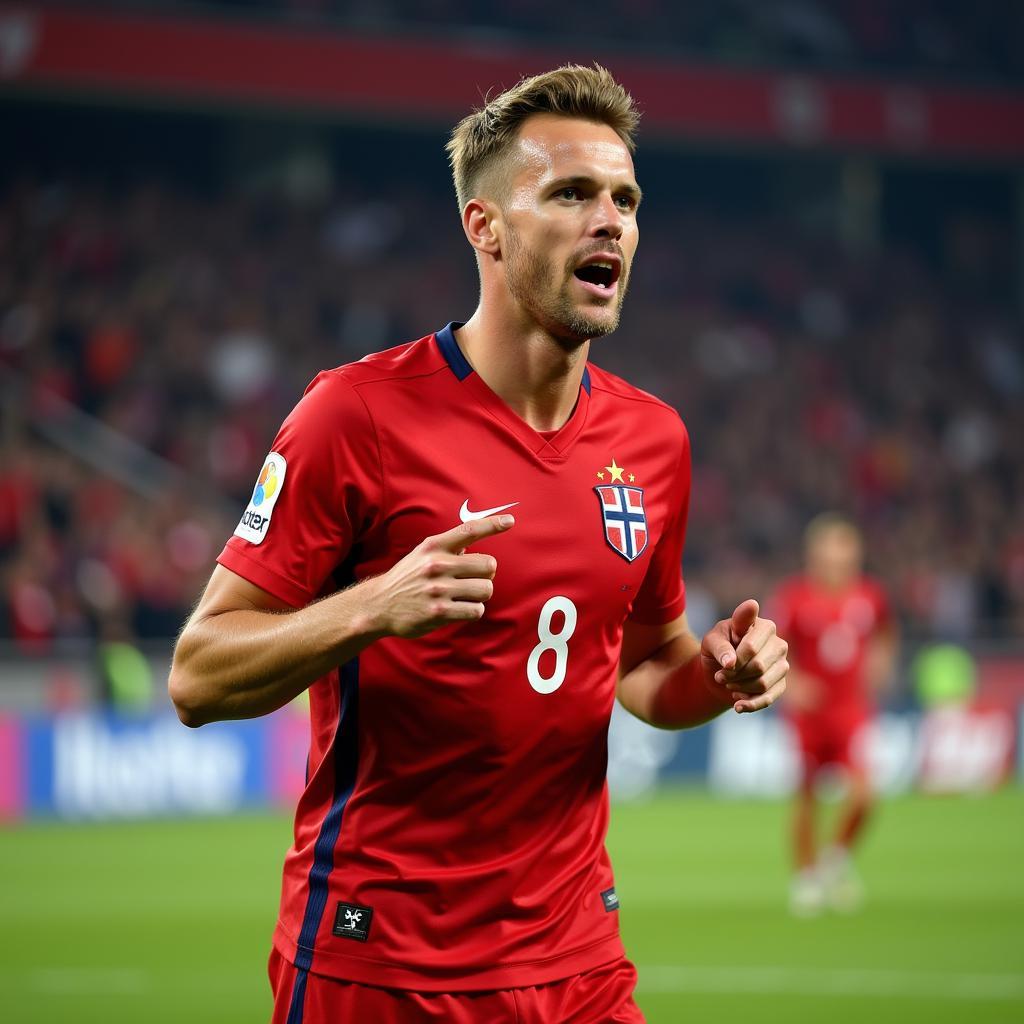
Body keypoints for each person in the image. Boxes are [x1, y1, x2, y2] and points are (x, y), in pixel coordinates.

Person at [169, 64, 789, 1024]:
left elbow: (647, 669)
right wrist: (373, 607)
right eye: (572, 193)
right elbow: (198, 676)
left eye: (625, 198)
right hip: (380, 967)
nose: (610, 220)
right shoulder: (355, 415)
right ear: (485, 227)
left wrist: (720, 676)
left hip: (580, 958)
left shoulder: (654, 440)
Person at [772, 513, 897, 916]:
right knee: (807, 796)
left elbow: (885, 633)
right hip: (810, 714)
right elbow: (774, 644)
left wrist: (881, 661)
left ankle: (835, 859)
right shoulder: (795, 597)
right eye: (830, 550)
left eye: (845, 550)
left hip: (851, 710)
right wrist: (793, 684)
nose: (838, 559)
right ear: (815, 554)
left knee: (866, 794)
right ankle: (805, 877)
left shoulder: (869, 596)